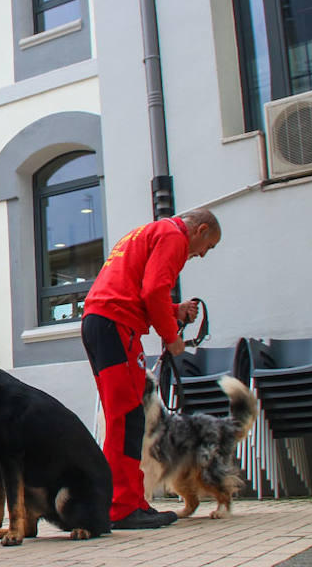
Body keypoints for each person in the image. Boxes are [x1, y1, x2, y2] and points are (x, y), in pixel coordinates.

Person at [80, 208, 221, 530]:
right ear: (200, 230)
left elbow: (137, 290)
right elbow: (154, 290)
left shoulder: (148, 232)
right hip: (117, 325)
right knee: (127, 418)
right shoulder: (173, 236)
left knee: (126, 417)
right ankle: (123, 507)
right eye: (207, 247)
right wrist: (171, 337)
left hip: (102, 322)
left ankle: (129, 501)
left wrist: (174, 310)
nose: (200, 255)